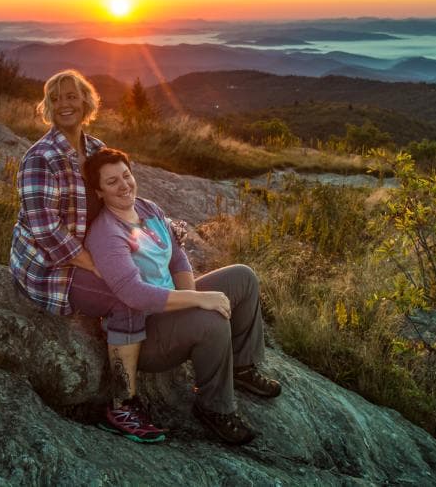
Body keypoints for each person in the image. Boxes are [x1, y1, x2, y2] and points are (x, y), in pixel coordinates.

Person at [71, 146, 281, 446]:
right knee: (210, 319)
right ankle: (214, 408)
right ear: (99, 192)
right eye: (111, 181)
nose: (124, 185)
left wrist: (190, 297)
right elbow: (133, 294)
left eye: (126, 175)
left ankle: (241, 366)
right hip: (146, 333)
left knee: (243, 277)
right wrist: (197, 303)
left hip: (172, 308)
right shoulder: (106, 233)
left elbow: (178, 259)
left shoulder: (149, 209)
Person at [9, 69, 168, 443]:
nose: (65, 104)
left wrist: (154, 232)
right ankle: (122, 405)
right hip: (51, 267)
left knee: (142, 277)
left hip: (93, 251)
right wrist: (96, 265)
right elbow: (44, 229)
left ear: (86, 102)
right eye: (56, 98)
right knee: (124, 296)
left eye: (72, 96)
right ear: (48, 107)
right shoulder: (41, 158)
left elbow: (117, 201)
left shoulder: (96, 150)